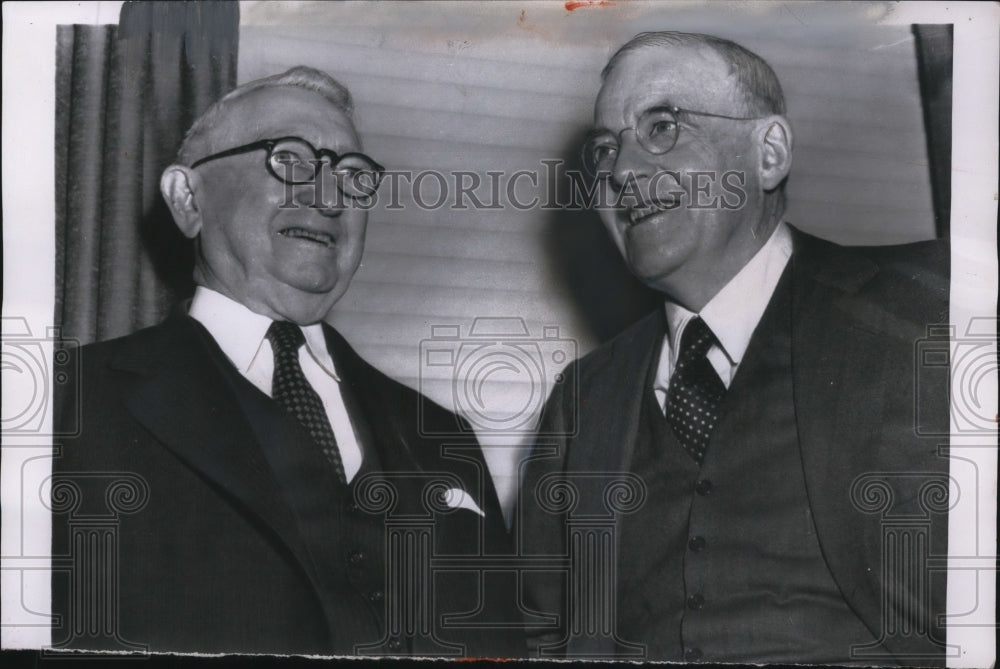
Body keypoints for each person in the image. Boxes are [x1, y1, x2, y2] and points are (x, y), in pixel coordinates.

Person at [52, 66, 522, 657]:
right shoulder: (65, 405)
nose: (329, 198)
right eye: (291, 160)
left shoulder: (444, 434)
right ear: (187, 198)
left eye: (352, 177)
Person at [519, 32, 950, 664]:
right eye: (605, 150)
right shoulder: (581, 402)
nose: (621, 171)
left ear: (769, 153)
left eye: (662, 126)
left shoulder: (925, 311)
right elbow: (540, 636)